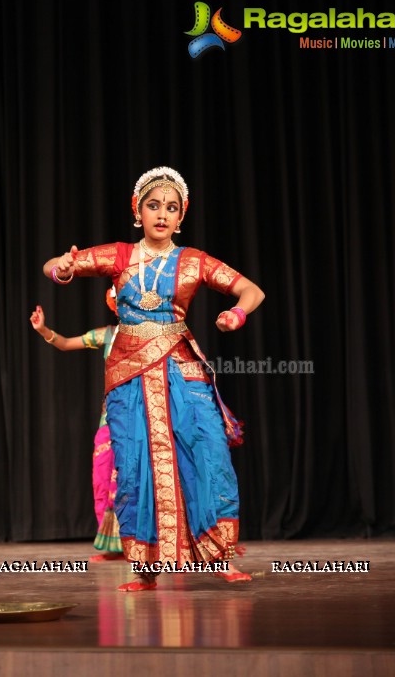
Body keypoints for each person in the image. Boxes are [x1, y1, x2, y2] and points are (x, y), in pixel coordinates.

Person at [42, 167, 265, 591]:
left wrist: (237, 313)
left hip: (181, 367)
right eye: (153, 206)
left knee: (208, 450)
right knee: (134, 464)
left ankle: (218, 554)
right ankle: (145, 568)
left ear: (181, 218)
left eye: (172, 208)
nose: (162, 214)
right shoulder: (118, 255)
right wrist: (64, 268)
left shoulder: (194, 261)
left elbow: (252, 291)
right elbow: (52, 266)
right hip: (129, 372)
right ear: (137, 212)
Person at [30, 288, 124, 562]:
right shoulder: (107, 335)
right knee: (103, 478)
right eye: (120, 302)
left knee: (131, 480)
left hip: (141, 418)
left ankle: (139, 544)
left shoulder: (152, 336)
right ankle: (114, 545)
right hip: (111, 419)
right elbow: (66, 343)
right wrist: (44, 330)